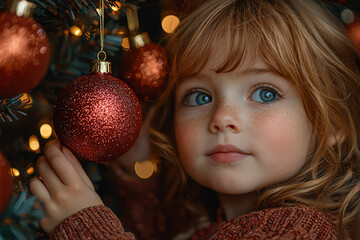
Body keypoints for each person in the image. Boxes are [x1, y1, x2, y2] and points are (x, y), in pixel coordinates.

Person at [29, 0, 360, 239]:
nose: (222, 118)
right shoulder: (204, 218)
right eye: (200, 97)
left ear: (331, 124)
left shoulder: (300, 229)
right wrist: (137, 173)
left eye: (265, 93)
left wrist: (82, 224)